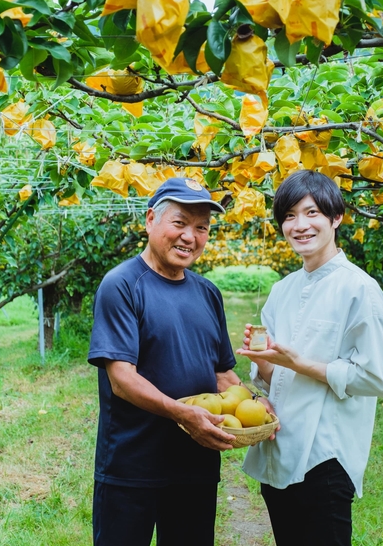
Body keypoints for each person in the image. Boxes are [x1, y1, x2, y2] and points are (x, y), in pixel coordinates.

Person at [238, 170, 383, 546]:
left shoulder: (359, 289)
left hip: (327, 456)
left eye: (311, 213)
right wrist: (262, 361)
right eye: (289, 216)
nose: (300, 225)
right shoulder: (282, 290)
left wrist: (300, 364)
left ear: (335, 217)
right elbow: (271, 376)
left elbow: (378, 378)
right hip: (279, 448)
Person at [88, 177, 246, 546]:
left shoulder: (208, 293)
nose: (190, 236)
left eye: (201, 227)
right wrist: (181, 413)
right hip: (132, 464)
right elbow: (122, 378)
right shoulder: (123, 285)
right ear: (150, 220)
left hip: (196, 465)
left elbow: (222, 373)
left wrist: (255, 405)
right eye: (179, 223)